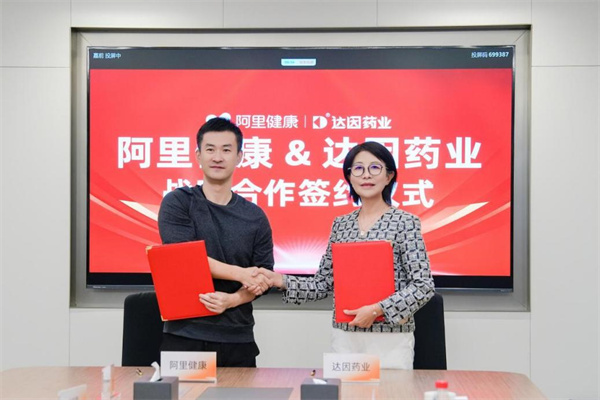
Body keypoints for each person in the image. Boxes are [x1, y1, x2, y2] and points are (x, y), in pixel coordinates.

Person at [262, 141, 434, 369]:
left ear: (389, 176)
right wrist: (280, 280)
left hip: (389, 338)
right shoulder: (341, 225)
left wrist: (377, 310)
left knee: (391, 389)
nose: (366, 175)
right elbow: (323, 283)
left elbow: (423, 286)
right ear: (349, 177)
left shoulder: (405, 222)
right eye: (358, 169)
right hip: (346, 336)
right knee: (346, 389)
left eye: (375, 168)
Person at [157, 117, 274, 367]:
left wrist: (232, 300)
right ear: (198, 156)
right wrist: (241, 274)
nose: (217, 157)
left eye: (226, 150)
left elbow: (263, 278)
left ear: (239, 157)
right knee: (184, 391)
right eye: (210, 149)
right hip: (186, 334)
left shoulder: (255, 216)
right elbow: (184, 259)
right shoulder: (178, 202)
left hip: (238, 336)